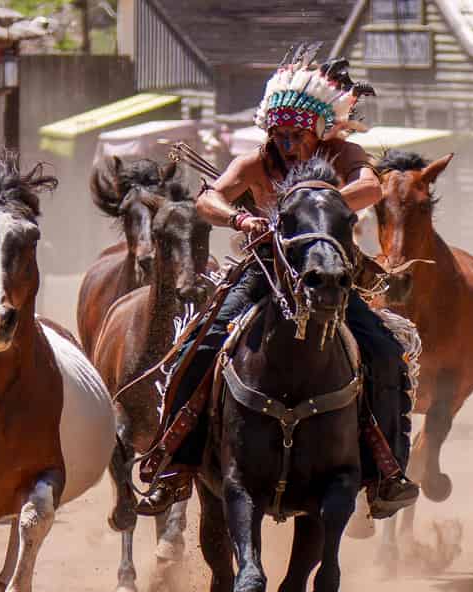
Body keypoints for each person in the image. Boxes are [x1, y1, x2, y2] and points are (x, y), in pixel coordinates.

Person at [137, 50, 419, 519]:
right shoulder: (254, 162)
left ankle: (386, 474)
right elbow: (208, 199)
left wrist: (310, 204)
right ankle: (174, 465)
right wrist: (242, 219)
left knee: (385, 354)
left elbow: (370, 187)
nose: (288, 145)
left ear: (320, 132)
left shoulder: (344, 154)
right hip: (266, 272)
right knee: (199, 347)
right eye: (281, 135)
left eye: (297, 135)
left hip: (329, 272)